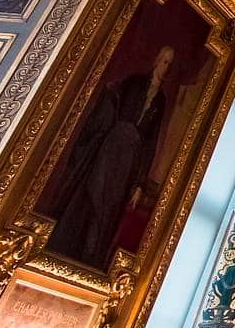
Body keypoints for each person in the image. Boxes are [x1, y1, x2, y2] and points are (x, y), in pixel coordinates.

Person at [50, 45, 176, 267]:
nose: (166, 66)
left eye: (170, 63)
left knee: (109, 208)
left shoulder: (161, 101)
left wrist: (139, 184)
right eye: (164, 60)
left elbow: (150, 143)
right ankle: (69, 246)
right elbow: (111, 105)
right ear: (157, 60)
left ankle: (91, 255)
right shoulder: (135, 83)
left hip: (129, 159)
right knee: (93, 193)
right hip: (111, 146)